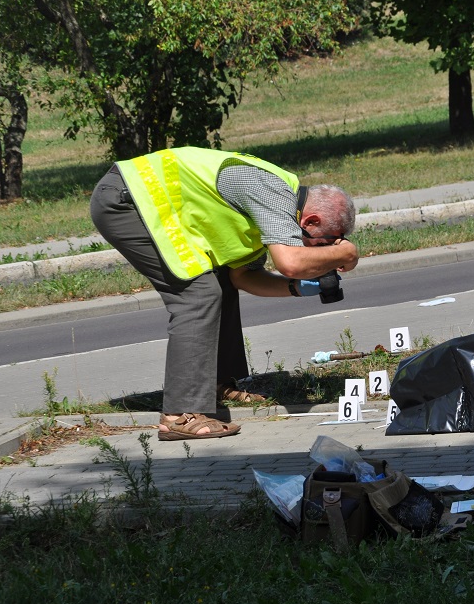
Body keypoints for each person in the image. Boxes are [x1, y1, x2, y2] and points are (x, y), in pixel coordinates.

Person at [89, 147, 359, 441]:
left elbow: (242, 277)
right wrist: (345, 252)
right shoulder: (271, 192)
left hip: (144, 202)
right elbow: (290, 263)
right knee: (198, 293)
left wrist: (295, 288)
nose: (319, 254)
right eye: (322, 245)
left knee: (219, 282)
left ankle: (215, 385)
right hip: (127, 199)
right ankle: (180, 413)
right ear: (311, 222)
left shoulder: (272, 211)